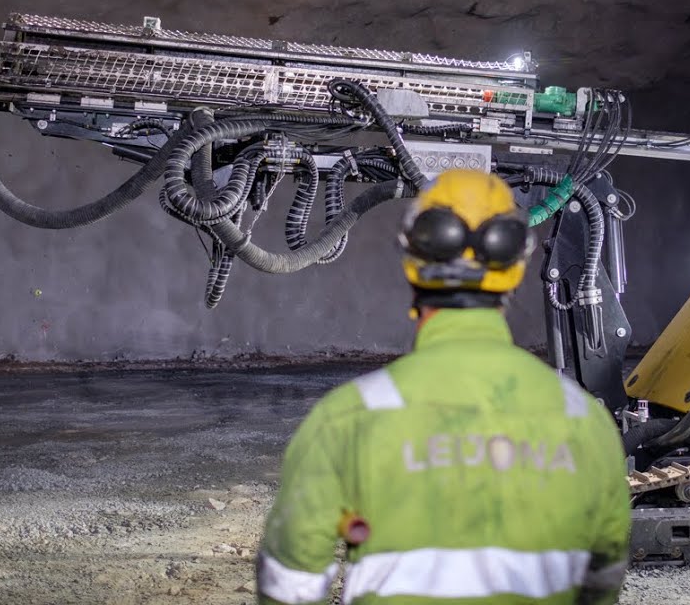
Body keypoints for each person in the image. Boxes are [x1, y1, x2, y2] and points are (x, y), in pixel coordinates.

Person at [256, 168, 631, 604]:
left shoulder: (349, 418)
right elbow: (602, 582)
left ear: (413, 261)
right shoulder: (586, 422)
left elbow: (290, 583)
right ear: (515, 265)